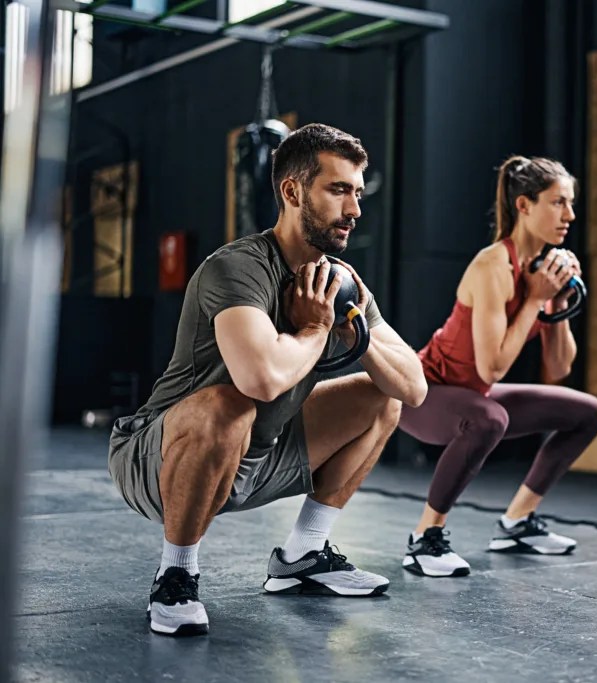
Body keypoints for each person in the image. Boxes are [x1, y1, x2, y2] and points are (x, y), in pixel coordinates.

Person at [108, 123, 427, 636]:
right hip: (158, 459)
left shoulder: (338, 282)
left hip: (259, 457)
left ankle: (303, 555)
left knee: (382, 397)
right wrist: (319, 327)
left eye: (358, 193)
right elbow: (260, 380)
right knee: (228, 405)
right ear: (292, 191)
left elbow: (414, 388)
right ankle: (176, 575)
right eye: (339, 190)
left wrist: (354, 330)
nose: (355, 210)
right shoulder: (237, 269)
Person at [397, 155, 597, 578]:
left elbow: (559, 366)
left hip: (473, 397)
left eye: (570, 203)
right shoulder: (493, 264)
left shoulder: (543, 271)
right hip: (422, 393)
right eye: (558, 202)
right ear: (524, 206)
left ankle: (516, 524)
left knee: (587, 412)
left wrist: (557, 303)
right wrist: (534, 300)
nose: (570, 214)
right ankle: (424, 540)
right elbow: (492, 367)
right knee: (489, 418)